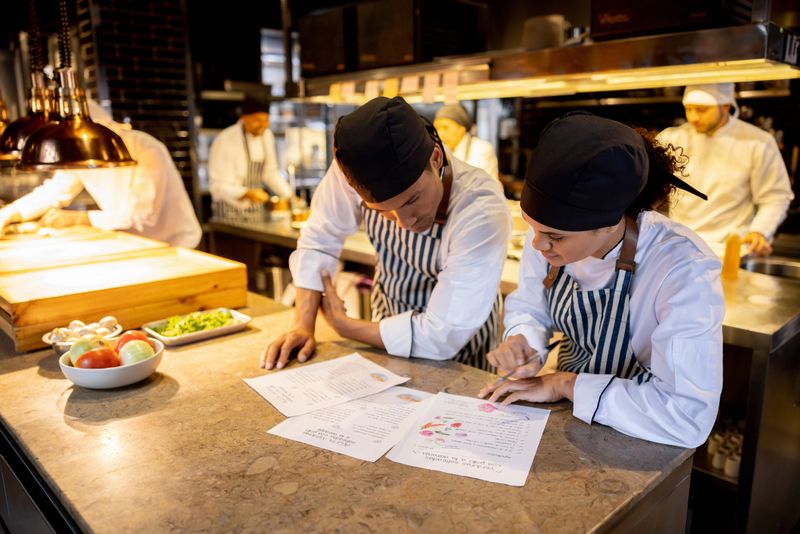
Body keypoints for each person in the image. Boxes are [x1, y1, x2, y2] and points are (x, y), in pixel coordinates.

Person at [479, 112, 724, 448]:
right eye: (532, 228)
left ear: (611, 224)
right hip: (567, 419)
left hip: (642, 436)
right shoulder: (549, 243)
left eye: (554, 236)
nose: (537, 245)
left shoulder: (681, 267)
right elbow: (530, 306)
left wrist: (565, 385)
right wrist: (524, 342)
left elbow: (686, 417)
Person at [260, 96, 511, 371]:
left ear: (436, 158)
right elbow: (320, 239)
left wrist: (345, 326)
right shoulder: (354, 167)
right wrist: (303, 326)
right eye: (382, 212)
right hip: (385, 342)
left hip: (461, 360)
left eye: (412, 200)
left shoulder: (481, 207)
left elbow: (441, 336)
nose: (403, 223)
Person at [0, 100, 201, 248]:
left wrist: (78, 219)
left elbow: (142, 217)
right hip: (132, 244)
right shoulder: (80, 154)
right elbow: (53, 192)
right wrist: (7, 214)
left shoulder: (146, 149)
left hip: (177, 245)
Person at [658, 83, 794, 256]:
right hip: (679, 247)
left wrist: (760, 231)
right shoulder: (670, 138)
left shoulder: (758, 142)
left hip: (729, 251)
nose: (693, 117)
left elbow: (775, 196)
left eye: (702, 110)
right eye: (689, 109)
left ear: (725, 106)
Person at [208, 95, 292, 221]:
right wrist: (247, 194)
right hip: (229, 215)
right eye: (258, 120)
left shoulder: (267, 136)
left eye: (266, 120)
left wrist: (289, 195)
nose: (263, 125)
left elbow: (270, 173)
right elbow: (218, 186)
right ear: (243, 118)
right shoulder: (225, 140)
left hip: (257, 214)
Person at [434, 103, 499, 181]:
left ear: (462, 128)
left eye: (446, 128)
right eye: (437, 128)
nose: (440, 134)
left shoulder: (482, 149)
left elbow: (478, 181)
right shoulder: (441, 150)